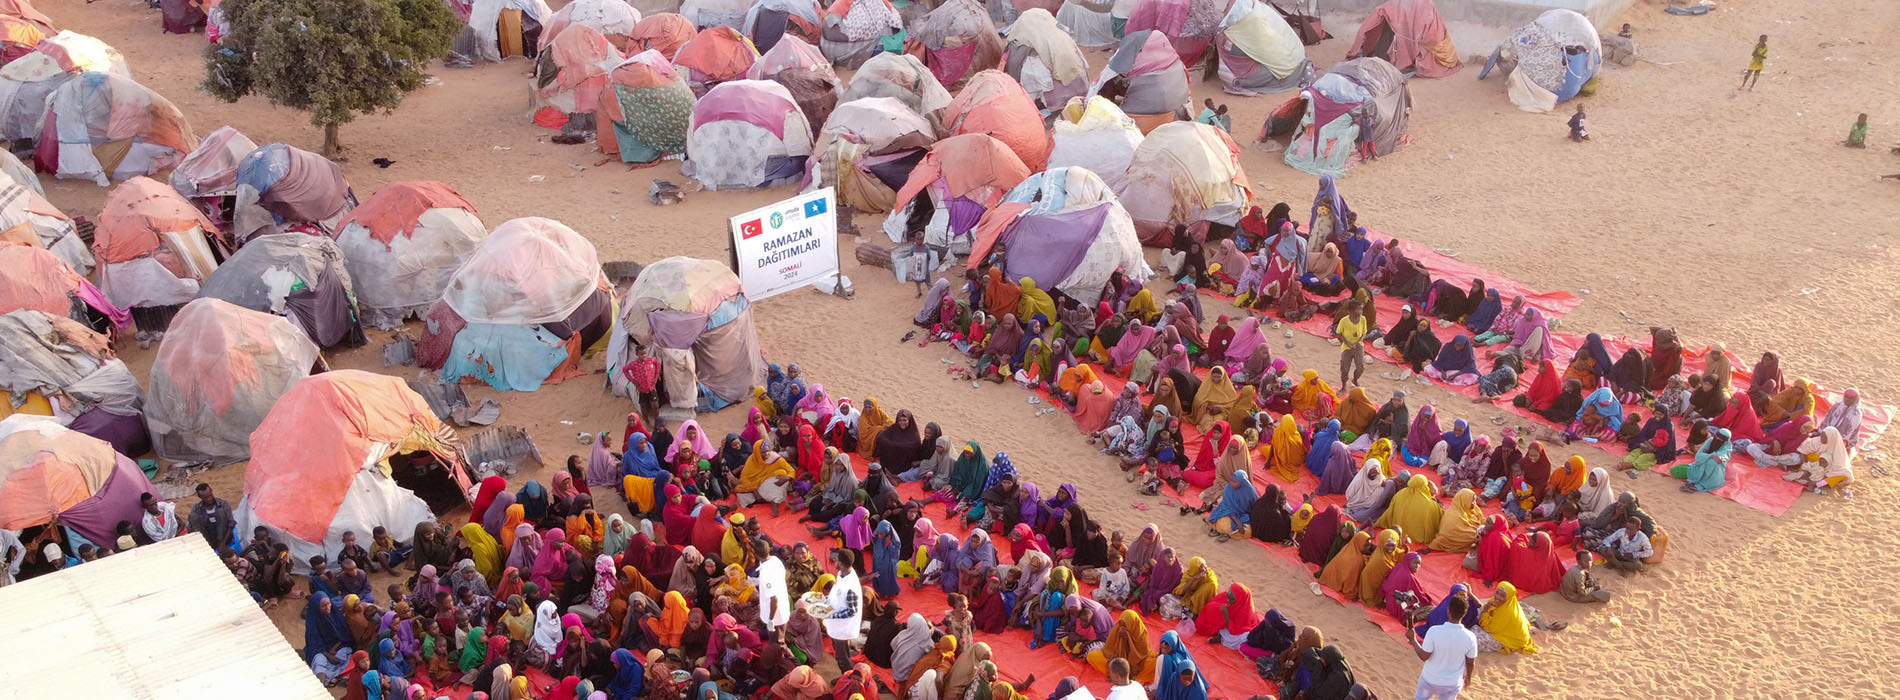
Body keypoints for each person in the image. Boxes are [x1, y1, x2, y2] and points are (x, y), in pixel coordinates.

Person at [1411, 593, 1477, 700]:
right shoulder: (1470, 637)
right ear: (1464, 614)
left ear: (1448, 611)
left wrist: (1413, 640)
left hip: (1429, 679)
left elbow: (1424, 656)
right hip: (1452, 684)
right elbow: (1470, 663)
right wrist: (1468, 678)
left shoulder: (1433, 631)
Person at [824, 549, 864, 663]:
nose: (835, 561)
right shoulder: (842, 574)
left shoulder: (850, 586)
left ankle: (846, 677)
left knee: (842, 658)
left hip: (842, 627)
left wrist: (831, 615)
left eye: (837, 559)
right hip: (836, 624)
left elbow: (852, 611)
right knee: (841, 652)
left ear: (840, 563)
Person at [189, 483, 237, 552]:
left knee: (220, 512)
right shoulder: (196, 508)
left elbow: (231, 524)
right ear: (200, 497)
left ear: (212, 492)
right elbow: (193, 526)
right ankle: (205, 545)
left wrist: (223, 543)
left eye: (210, 495)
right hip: (208, 537)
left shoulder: (223, 503)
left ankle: (220, 543)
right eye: (205, 498)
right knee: (193, 517)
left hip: (224, 537)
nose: (209, 499)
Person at [1334, 301, 1367, 389]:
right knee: (1345, 367)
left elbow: (1364, 332)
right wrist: (1347, 343)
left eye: (1361, 309)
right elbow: (1339, 333)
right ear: (1351, 311)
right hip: (1347, 348)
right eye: (1358, 309)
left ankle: (1355, 379)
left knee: (1360, 367)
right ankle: (1343, 386)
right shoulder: (1344, 321)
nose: (1361, 311)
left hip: (1358, 347)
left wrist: (1360, 341)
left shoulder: (1363, 319)